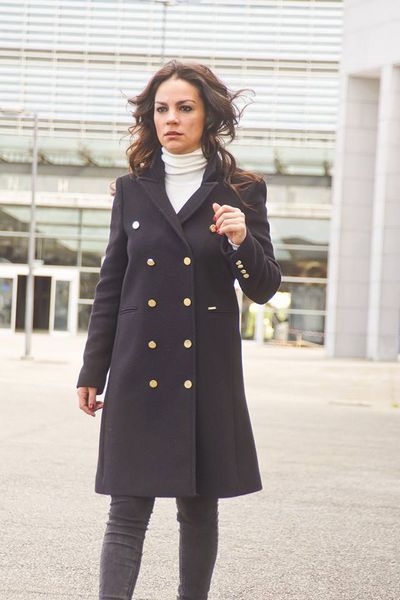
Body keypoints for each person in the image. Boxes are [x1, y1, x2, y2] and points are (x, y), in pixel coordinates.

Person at [76, 60, 281, 600]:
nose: (171, 118)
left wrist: (241, 242)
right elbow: (111, 285)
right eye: (162, 109)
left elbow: (264, 287)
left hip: (204, 368)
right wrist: (92, 370)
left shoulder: (242, 190)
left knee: (198, 507)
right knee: (126, 508)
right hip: (137, 366)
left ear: (207, 115)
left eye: (185, 108)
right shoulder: (132, 190)